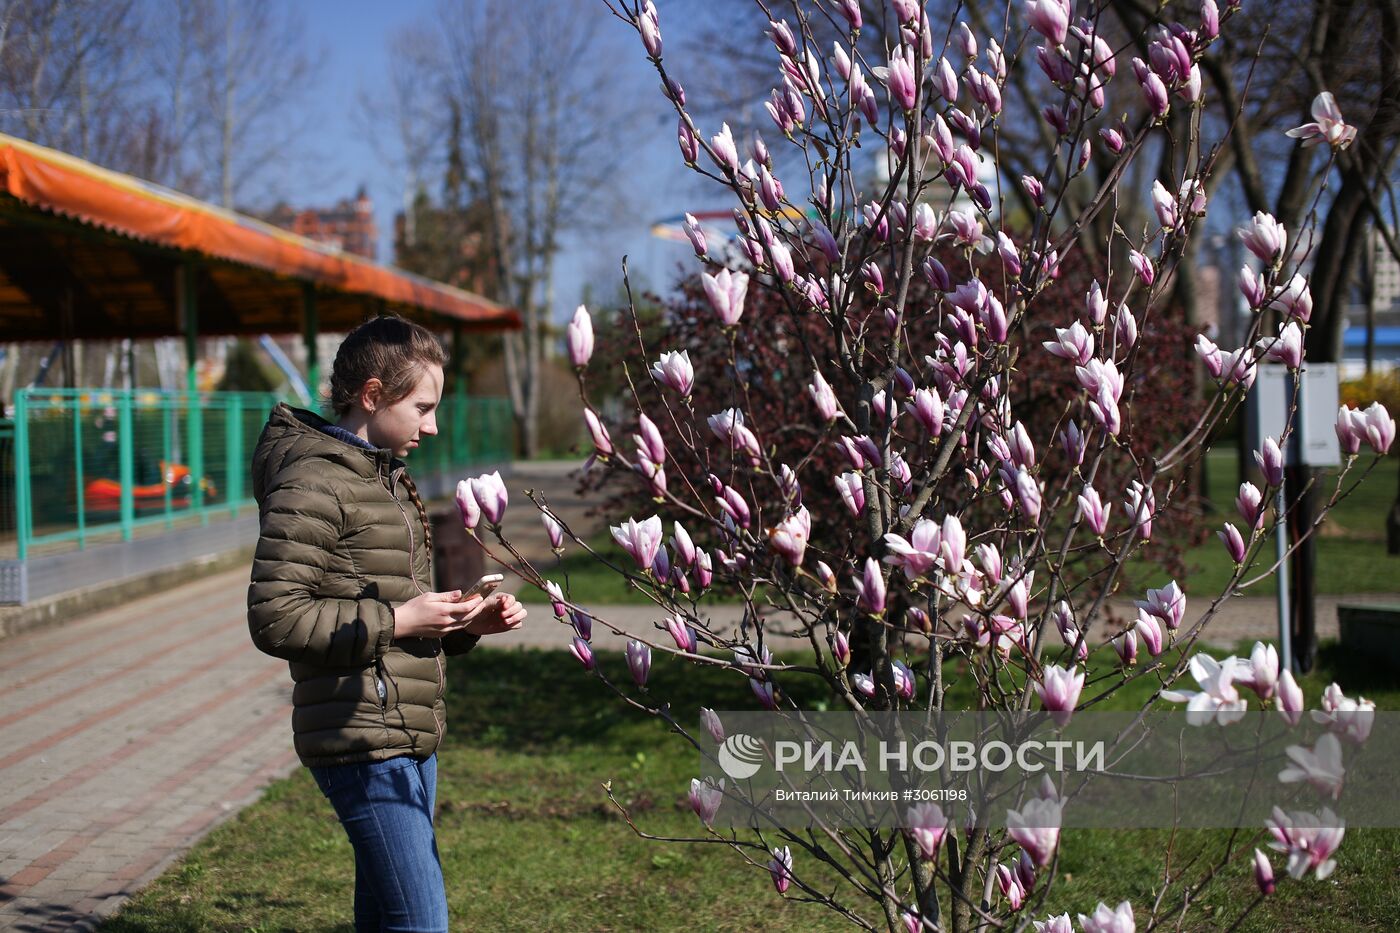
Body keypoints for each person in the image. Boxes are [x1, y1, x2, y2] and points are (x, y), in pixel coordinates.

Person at [247, 314, 525, 932]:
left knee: (385, 917)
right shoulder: (313, 481)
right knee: (420, 923)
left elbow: (391, 603)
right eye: (422, 407)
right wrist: (400, 618)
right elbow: (275, 617)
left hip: (406, 728)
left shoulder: (382, 474)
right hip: (362, 737)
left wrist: (466, 623)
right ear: (373, 396)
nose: (432, 425)